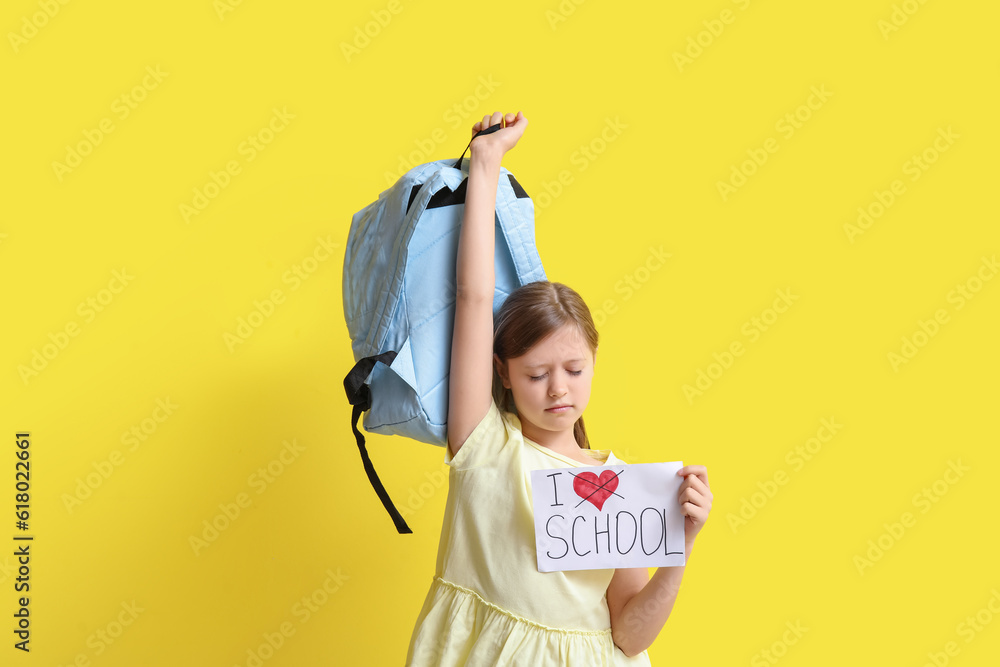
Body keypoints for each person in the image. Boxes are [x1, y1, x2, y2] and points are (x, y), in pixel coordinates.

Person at [405, 111, 712, 666]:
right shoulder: (484, 446)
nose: (557, 391)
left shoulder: (620, 487)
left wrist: (679, 545)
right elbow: (474, 297)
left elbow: (630, 635)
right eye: (535, 374)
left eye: (573, 369)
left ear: (594, 361)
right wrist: (486, 163)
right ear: (503, 373)